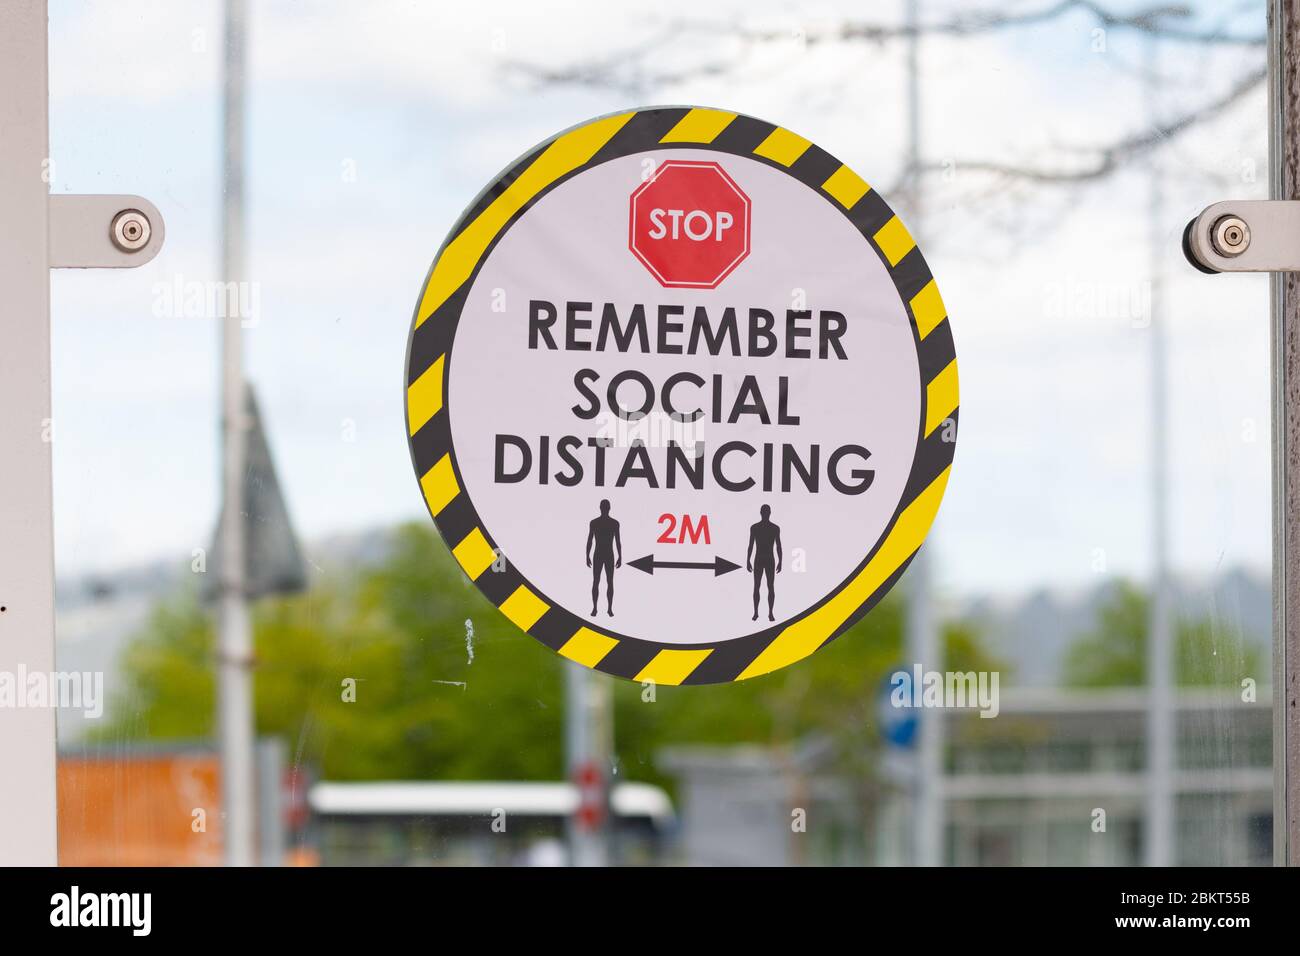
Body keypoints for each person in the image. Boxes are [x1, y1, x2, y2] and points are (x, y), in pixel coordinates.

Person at [586, 499, 622, 617]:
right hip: (600, 554)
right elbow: (590, 540)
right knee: (597, 581)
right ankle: (595, 608)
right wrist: (587, 555)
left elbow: (617, 541)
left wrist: (620, 556)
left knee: (608, 582)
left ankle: (609, 609)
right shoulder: (594, 523)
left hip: (607, 554)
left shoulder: (614, 523)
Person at [746, 504, 782, 621]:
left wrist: (780, 561)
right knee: (757, 586)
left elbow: (778, 546)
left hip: (769, 559)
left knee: (770, 586)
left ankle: (770, 613)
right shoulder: (754, 528)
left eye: (767, 512)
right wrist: (748, 560)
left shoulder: (775, 528)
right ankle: (756, 612)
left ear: (769, 513)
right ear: (761, 513)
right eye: (764, 512)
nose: (766, 514)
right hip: (759, 559)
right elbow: (750, 545)